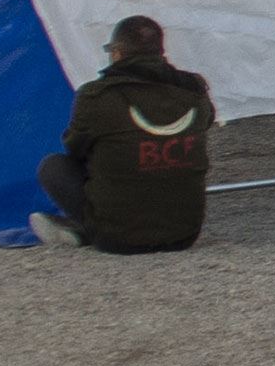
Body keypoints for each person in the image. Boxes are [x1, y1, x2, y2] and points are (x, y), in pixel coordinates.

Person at [31, 15, 214, 253]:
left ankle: (84, 229)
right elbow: (206, 122)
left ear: (117, 53)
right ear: (160, 53)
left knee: (53, 167)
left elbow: (75, 149)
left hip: (117, 240)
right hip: (184, 235)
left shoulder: (97, 96)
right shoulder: (193, 91)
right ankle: (87, 227)